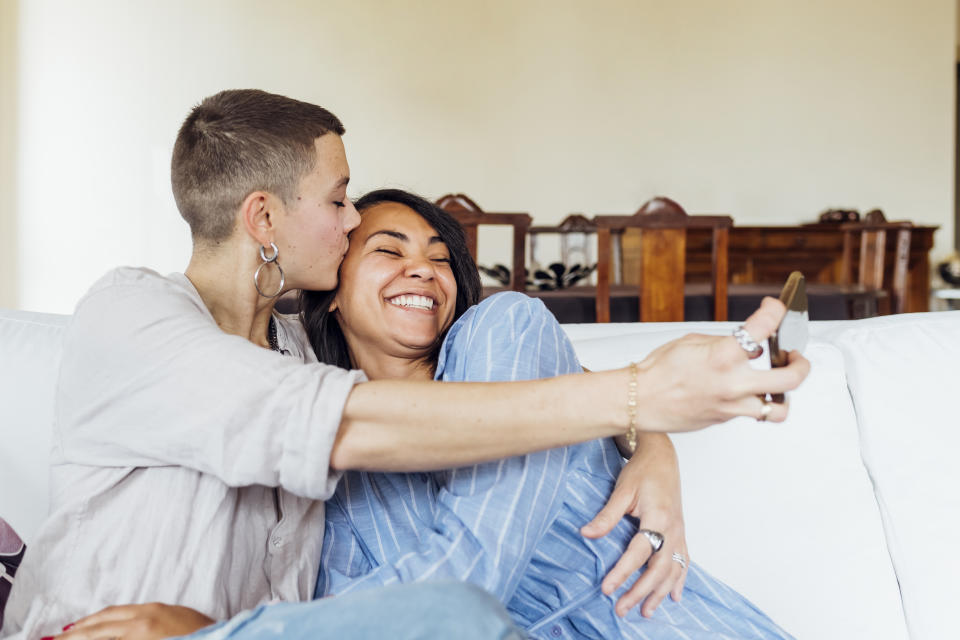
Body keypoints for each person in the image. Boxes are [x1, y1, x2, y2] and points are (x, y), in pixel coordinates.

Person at [2, 90, 808, 640]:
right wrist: (639, 399)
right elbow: (344, 428)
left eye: (437, 256)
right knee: (455, 612)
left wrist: (646, 437)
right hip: (94, 630)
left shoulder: (312, 354)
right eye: (344, 204)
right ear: (264, 218)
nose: (352, 222)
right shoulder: (135, 314)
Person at [304, 189, 793, 639]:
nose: (423, 269)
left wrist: (652, 433)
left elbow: (475, 567)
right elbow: (346, 606)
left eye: (441, 258)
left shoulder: (502, 329)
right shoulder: (342, 467)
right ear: (331, 296)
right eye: (389, 250)